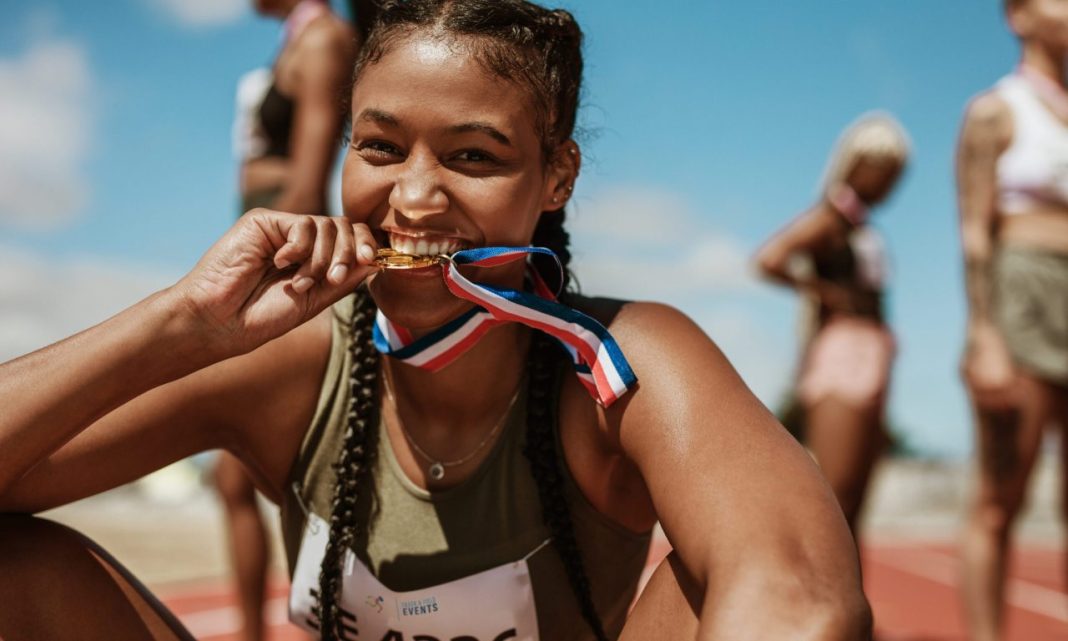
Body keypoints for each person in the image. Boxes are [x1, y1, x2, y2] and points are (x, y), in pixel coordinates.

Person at [0, 1, 872, 639]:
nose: (414, 197)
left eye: (473, 155)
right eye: (379, 148)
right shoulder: (295, 364)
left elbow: (800, 597)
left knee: (719, 569)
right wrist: (180, 323)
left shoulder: (621, 361)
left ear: (557, 176)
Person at [226, 2, 358, 639]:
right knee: (234, 476)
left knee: (269, 470)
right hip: (258, 251)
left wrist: (267, 281)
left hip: (286, 258)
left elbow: (308, 185)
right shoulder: (295, 41)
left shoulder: (326, 39)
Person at [957, 2, 1068, 639]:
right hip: (1022, 298)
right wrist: (985, 334)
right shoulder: (997, 110)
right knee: (1000, 502)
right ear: (1018, 16)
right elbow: (975, 232)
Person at [754, 113, 909, 537]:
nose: (887, 182)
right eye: (881, 170)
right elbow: (768, 258)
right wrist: (821, 291)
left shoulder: (864, 227)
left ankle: (854, 599)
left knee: (857, 501)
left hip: (876, 350)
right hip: (843, 350)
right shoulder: (829, 218)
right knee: (836, 496)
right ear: (854, 163)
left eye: (894, 175)